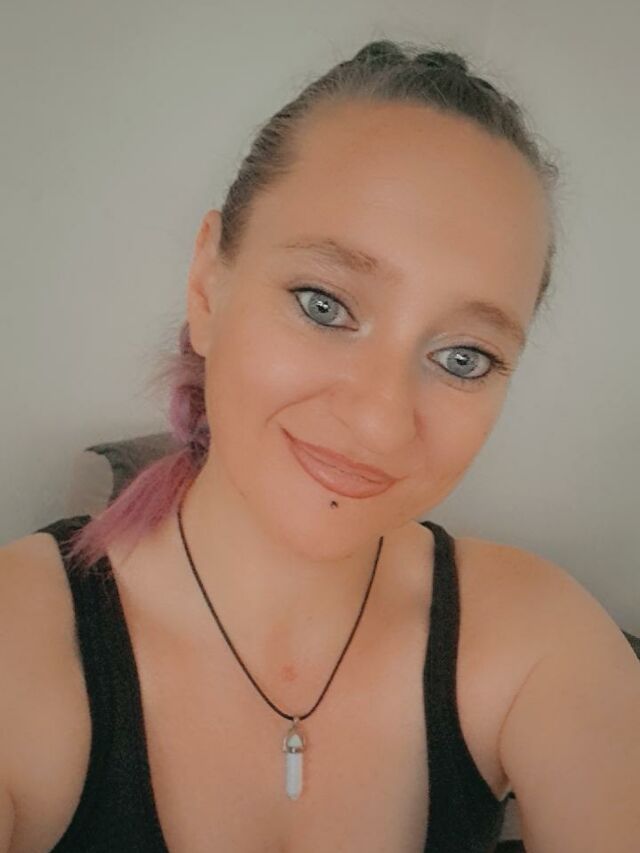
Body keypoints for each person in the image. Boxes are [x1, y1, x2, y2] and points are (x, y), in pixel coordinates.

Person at [1, 39, 638, 853]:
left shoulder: (540, 642)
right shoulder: (20, 646)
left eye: (463, 357)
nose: (381, 422)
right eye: (324, 303)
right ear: (207, 287)